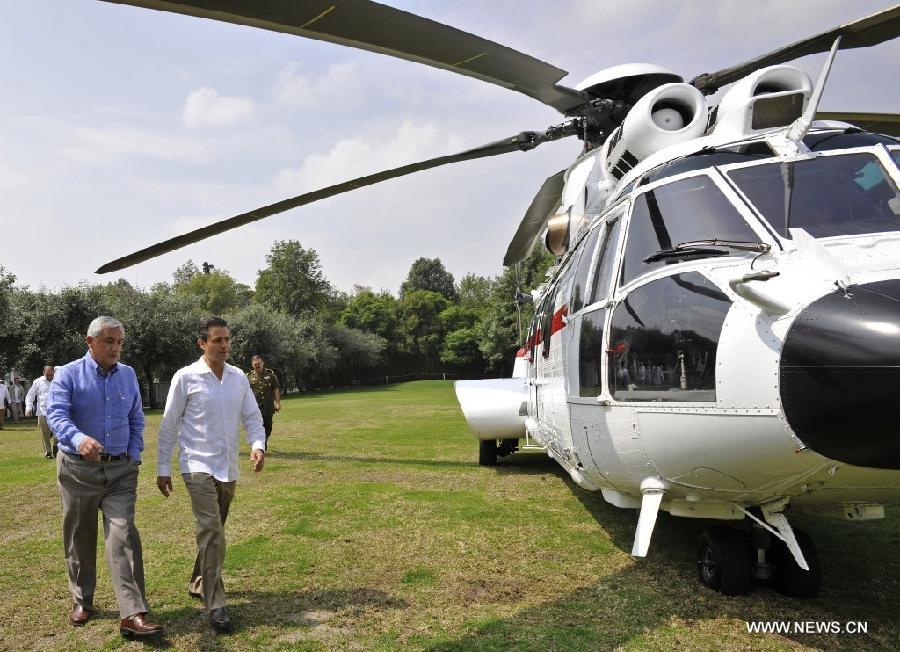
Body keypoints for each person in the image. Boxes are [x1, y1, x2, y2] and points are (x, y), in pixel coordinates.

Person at [46, 316, 162, 637]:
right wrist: (79, 439)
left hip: (121, 471)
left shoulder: (128, 375)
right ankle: (82, 599)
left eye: (120, 342)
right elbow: (56, 414)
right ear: (90, 341)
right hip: (78, 470)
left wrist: (134, 456)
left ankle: (133, 612)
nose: (116, 348)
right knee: (80, 537)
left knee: (123, 536)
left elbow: (137, 419)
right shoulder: (68, 374)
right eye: (109, 341)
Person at [157, 316, 266, 634]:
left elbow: (252, 416)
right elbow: (168, 425)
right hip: (196, 466)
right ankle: (216, 604)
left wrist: (258, 444)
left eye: (227, 339)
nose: (224, 345)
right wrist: (163, 467)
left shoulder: (238, 379)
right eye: (217, 340)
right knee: (212, 530)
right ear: (202, 344)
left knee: (212, 531)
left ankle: (198, 580)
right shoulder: (185, 378)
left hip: (228, 467)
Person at [247, 354, 281, 449]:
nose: (257, 365)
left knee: (268, 426)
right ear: (252, 365)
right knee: (259, 425)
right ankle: (262, 443)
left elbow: (276, 388)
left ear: (262, 362)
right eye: (255, 364)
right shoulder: (249, 377)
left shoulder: (270, 374)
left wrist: (277, 403)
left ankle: (265, 438)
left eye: (259, 363)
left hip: (268, 405)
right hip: (255, 406)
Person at [25, 366, 57, 458]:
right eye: (48, 375)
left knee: (59, 431)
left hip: (57, 412)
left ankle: (56, 447)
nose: (50, 377)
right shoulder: (38, 382)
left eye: (51, 375)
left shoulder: (59, 380)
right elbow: (30, 396)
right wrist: (28, 408)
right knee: (44, 433)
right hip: (43, 411)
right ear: (43, 373)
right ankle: (48, 452)